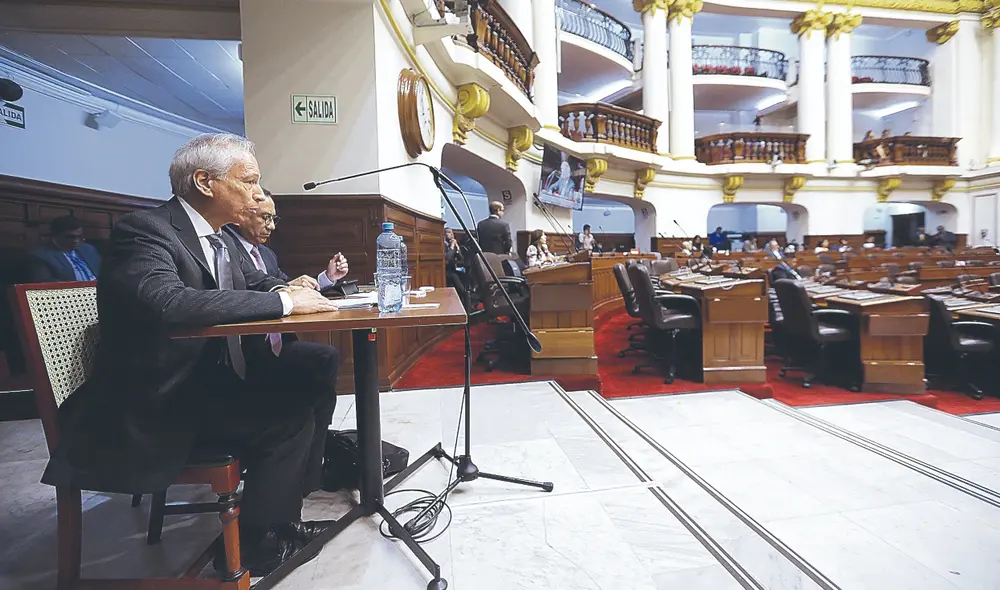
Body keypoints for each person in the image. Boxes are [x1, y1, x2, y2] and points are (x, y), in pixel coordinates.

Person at [40, 133, 341, 576]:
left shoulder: (218, 239)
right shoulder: (145, 230)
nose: (259, 194)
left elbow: (251, 286)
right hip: (155, 402)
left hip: (200, 381)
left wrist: (285, 288)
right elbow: (169, 302)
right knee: (287, 416)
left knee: (306, 377)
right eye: (250, 181)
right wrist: (285, 303)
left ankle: (281, 519)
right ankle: (257, 544)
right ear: (205, 182)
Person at [223, 189, 348, 499]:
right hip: (248, 354)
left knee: (325, 361)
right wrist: (284, 287)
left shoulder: (266, 253)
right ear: (241, 216)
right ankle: (296, 465)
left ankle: (311, 468)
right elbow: (258, 284)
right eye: (265, 218)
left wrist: (325, 278)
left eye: (274, 218)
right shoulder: (226, 247)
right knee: (305, 398)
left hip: (276, 346)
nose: (272, 226)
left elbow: (287, 284)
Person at [25, 215, 102, 282]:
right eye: (70, 237)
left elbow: (103, 274)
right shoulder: (40, 255)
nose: (76, 241)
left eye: (79, 237)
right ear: (56, 236)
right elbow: (45, 283)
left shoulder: (88, 249)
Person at [444, 228, 467, 305]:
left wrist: (457, 247)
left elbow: (462, 258)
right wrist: (452, 246)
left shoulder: (452, 244)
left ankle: (465, 300)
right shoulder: (443, 244)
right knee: (460, 287)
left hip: (454, 268)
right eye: (449, 232)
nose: (452, 234)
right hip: (446, 270)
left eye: (452, 233)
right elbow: (447, 258)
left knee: (465, 276)